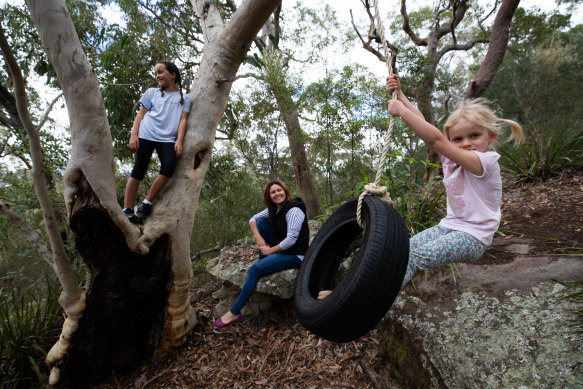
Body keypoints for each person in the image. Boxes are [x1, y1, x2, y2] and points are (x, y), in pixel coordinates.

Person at [385, 74, 524, 286]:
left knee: (412, 259)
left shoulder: (485, 162)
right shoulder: (453, 159)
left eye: (474, 136)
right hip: (449, 226)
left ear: (491, 136)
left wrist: (402, 112)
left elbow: (435, 139)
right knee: (404, 249)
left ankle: (366, 305)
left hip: (473, 237)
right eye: (457, 139)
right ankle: (351, 295)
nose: (466, 143)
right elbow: (423, 122)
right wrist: (401, 94)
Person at [214, 180, 310, 328]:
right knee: (261, 223)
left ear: (285, 190)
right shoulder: (275, 208)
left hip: (296, 254)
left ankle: (234, 312)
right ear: (269, 196)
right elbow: (252, 219)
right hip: (283, 248)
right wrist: (259, 239)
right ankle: (264, 264)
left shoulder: (293, 210)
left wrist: (269, 250)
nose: (277, 194)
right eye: (273, 192)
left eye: (279, 190)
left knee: (254, 270)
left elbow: (291, 240)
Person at [122, 61, 190, 223]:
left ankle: (146, 203)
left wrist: (179, 141)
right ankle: (126, 209)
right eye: (156, 73)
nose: (157, 75)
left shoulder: (184, 98)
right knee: (139, 169)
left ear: (173, 74)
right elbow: (140, 115)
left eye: (161, 72)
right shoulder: (151, 93)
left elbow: (183, 120)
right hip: (146, 134)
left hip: (167, 139)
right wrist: (134, 135)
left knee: (168, 167)